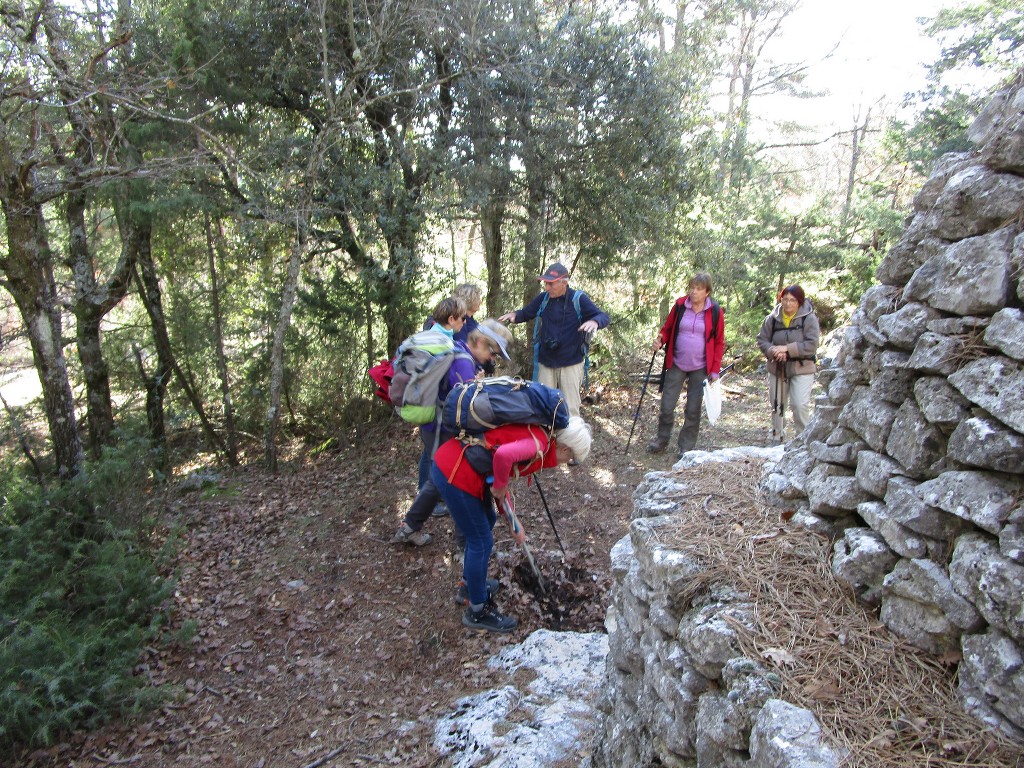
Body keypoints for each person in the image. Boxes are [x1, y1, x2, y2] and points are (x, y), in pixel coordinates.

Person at [432, 415, 593, 633]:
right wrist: (500, 489)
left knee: (486, 521)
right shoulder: (539, 444)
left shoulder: (540, 441)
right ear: (565, 449)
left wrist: (511, 518)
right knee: (481, 541)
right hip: (455, 473)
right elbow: (503, 457)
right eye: (571, 458)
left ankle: (469, 587)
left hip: (464, 468)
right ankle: (477, 611)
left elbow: (501, 472)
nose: (567, 463)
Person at [390, 319, 513, 546]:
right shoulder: (464, 361)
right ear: (478, 342)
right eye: (493, 353)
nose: (493, 359)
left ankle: (410, 527)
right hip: (441, 428)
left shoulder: (460, 354)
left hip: (437, 426)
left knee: (440, 479)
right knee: (454, 478)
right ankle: (463, 544)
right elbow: (465, 408)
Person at [498, 262, 609, 420]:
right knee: (543, 405)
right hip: (546, 363)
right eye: (545, 283)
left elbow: (603, 316)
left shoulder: (578, 299)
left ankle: (571, 443)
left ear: (564, 282)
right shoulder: (544, 299)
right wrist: (514, 315)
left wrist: (595, 322)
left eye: (550, 284)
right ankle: (547, 442)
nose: (547, 288)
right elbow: (526, 313)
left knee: (570, 408)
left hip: (571, 363)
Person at [648, 272, 725, 457]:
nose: (694, 291)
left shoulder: (715, 311)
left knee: (693, 408)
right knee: (667, 404)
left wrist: (715, 370)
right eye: (692, 287)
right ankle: (662, 439)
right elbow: (666, 329)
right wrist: (660, 341)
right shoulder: (680, 305)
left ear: (707, 292)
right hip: (677, 362)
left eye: (698, 289)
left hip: (701, 366)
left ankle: (686, 446)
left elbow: (719, 341)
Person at [756, 284, 819, 443]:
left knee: (799, 405)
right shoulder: (772, 318)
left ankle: (803, 440)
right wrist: (773, 351)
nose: (788, 303)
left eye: (792, 300)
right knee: (777, 405)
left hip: (802, 368)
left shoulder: (809, 318)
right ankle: (777, 437)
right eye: (785, 299)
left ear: (799, 302)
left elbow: (812, 345)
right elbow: (762, 339)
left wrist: (787, 349)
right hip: (777, 368)